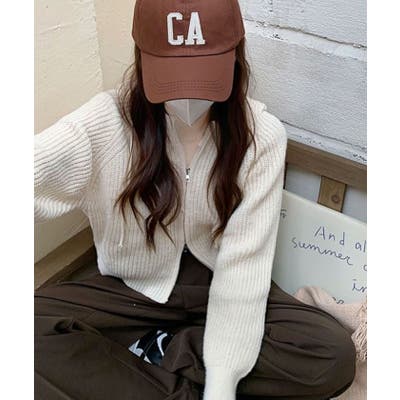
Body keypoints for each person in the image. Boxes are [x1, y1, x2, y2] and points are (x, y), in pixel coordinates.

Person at [34, 0, 356, 399]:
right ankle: (175, 372)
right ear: (141, 57)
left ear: (235, 56)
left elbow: (244, 263)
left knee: (331, 355)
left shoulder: (262, 138)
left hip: (219, 278)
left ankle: (159, 352)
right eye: (172, 76)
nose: (188, 98)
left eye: (203, 75)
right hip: (130, 289)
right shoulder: (104, 123)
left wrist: (223, 378)